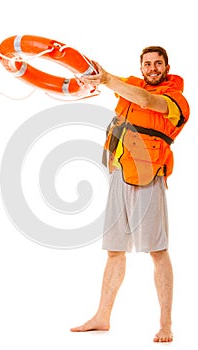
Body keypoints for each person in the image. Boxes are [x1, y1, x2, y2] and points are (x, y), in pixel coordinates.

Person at [70, 46, 190, 342]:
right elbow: (108, 84)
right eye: (147, 63)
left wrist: (108, 78)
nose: (152, 68)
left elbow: (147, 101)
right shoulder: (130, 85)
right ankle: (102, 317)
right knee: (114, 250)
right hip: (119, 174)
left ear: (166, 66)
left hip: (148, 178)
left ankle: (166, 324)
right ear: (141, 67)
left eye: (157, 63)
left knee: (157, 251)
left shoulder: (176, 99)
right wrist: (91, 75)